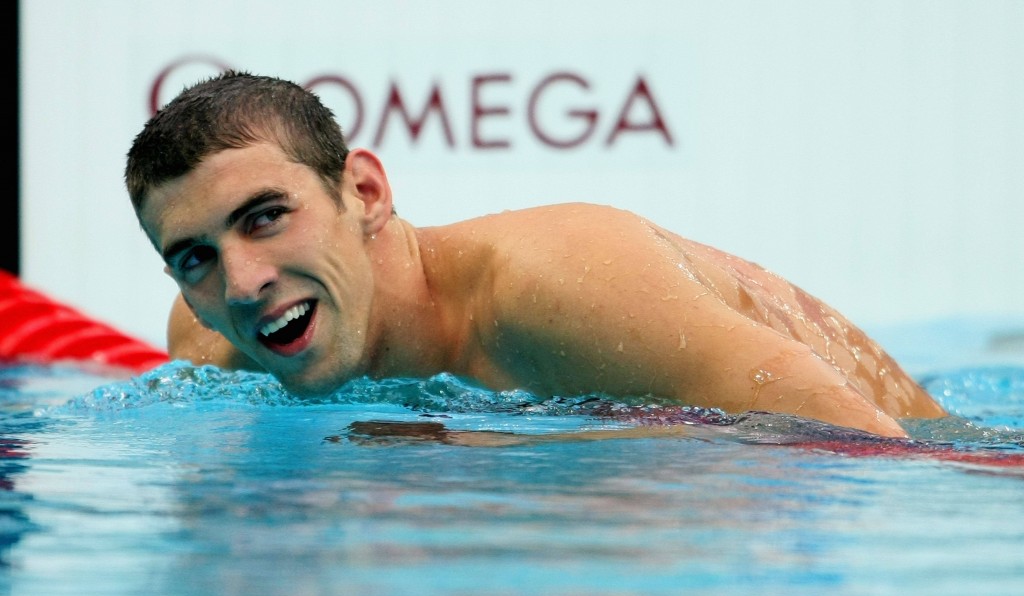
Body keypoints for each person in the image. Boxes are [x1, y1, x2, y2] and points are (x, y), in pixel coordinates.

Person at [125, 70, 946, 438]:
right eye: (193, 257)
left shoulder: (555, 286)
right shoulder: (212, 343)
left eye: (266, 217)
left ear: (366, 194)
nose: (241, 282)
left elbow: (874, 457)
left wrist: (557, 448)